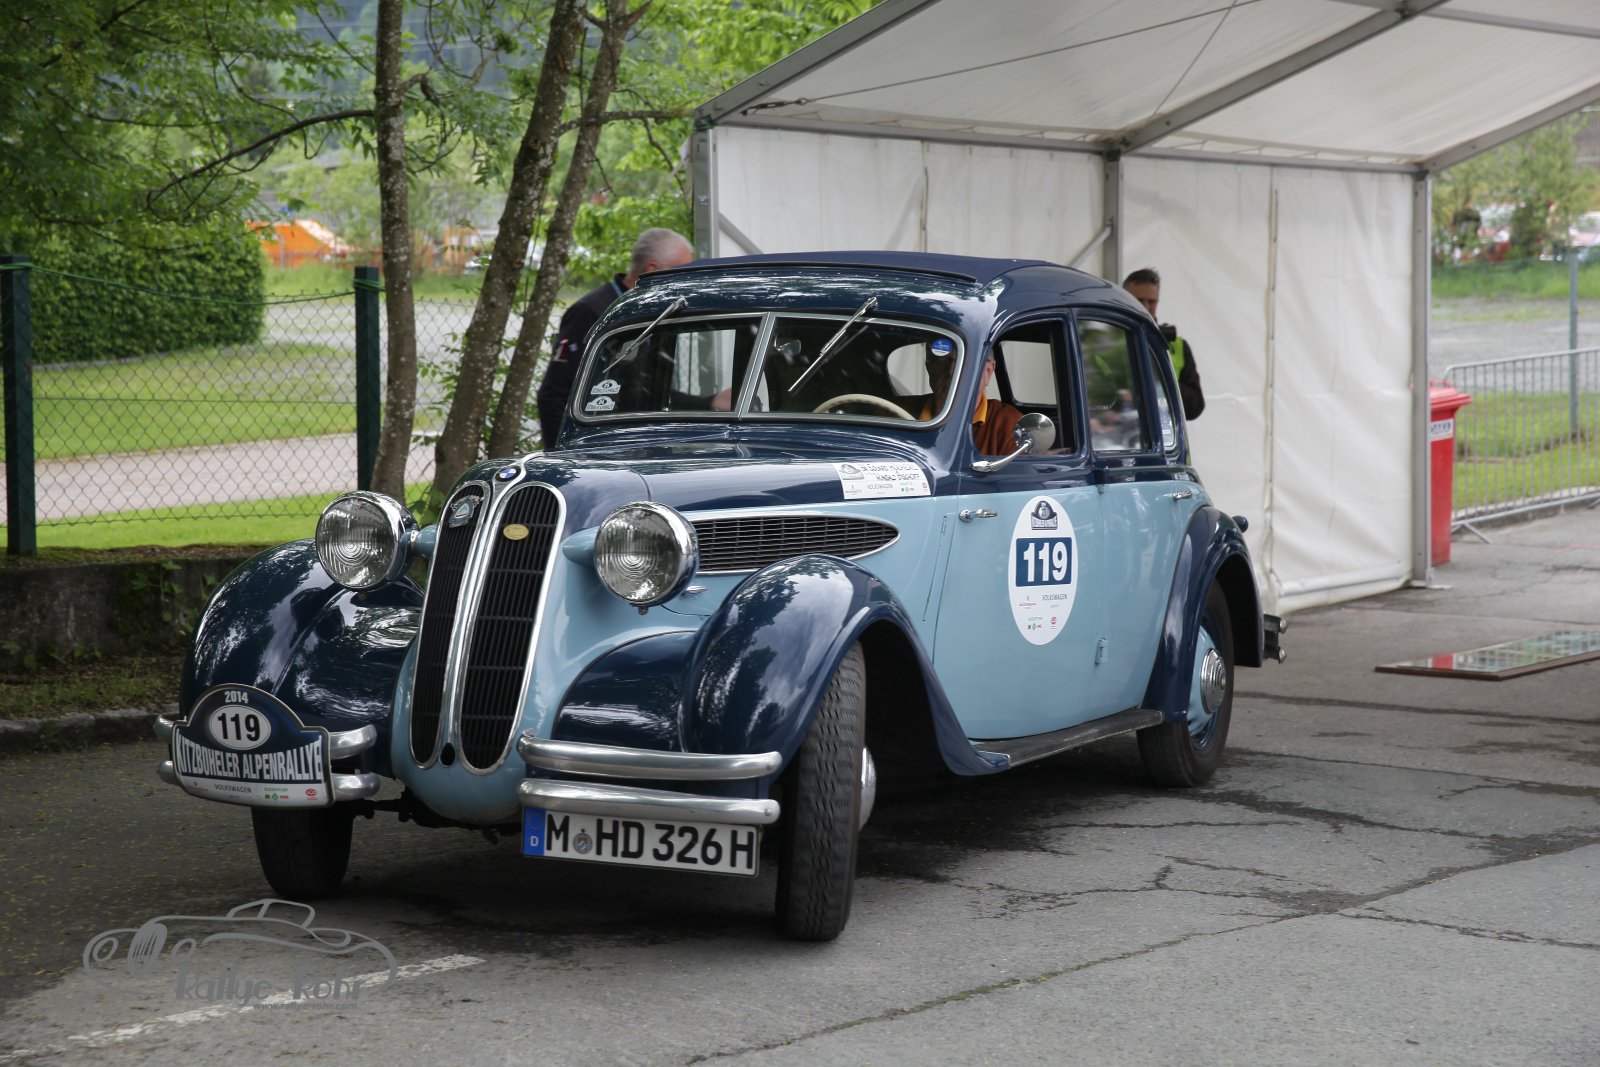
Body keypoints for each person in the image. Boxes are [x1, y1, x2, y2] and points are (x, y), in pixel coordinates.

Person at [535, 227, 695, 447]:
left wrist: (710, 402)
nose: (685, 282)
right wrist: (566, 456)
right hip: (597, 449)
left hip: (638, 446)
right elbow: (553, 396)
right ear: (653, 271)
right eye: (681, 272)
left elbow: (649, 394)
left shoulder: (657, 313)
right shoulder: (591, 312)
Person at [1122, 268, 1204, 419]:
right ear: (1124, 299)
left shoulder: (1178, 346)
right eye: (1139, 300)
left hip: (1164, 431)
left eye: (1151, 301)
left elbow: (1195, 408)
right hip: (1122, 430)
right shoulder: (1112, 341)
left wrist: (1160, 378)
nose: (1146, 307)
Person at [920, 344, 1023, 456]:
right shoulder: (906, 414)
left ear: (988, 372)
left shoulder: (1010, 425)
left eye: (964, 363)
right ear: (928, 367)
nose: (951, 372)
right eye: (942, 362)